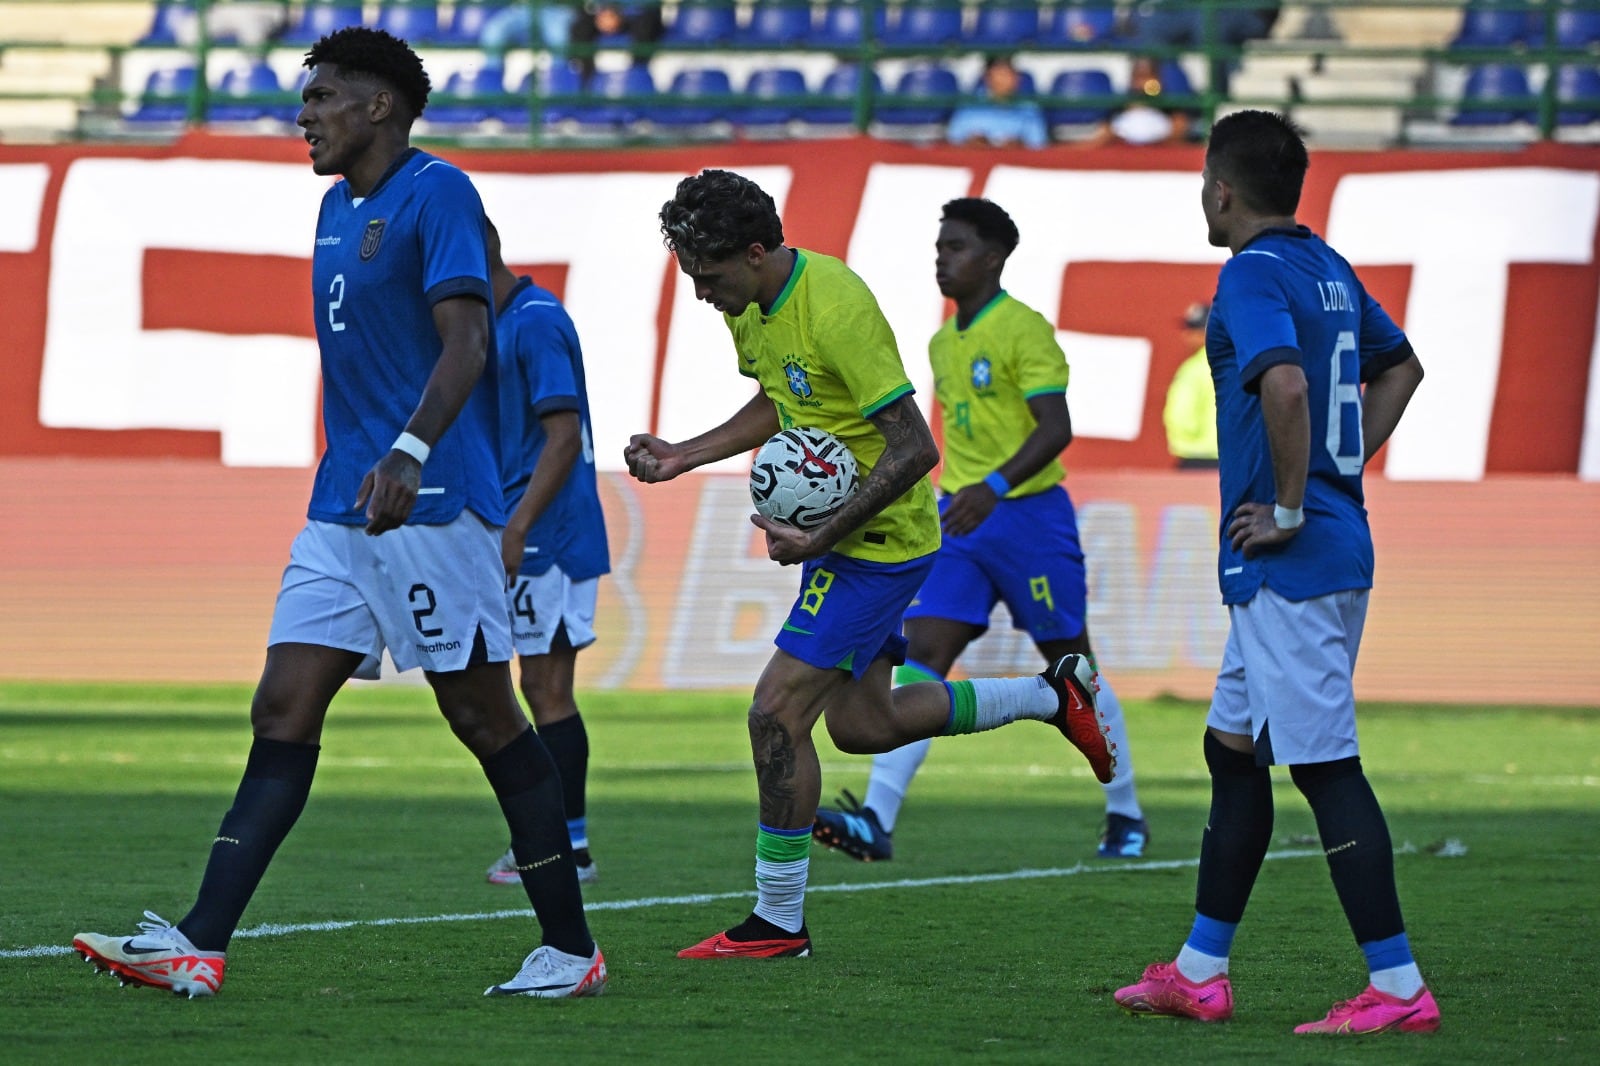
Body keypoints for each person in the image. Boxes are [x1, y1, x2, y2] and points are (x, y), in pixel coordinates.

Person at [72, 27, 606, 1001]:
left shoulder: (437, 191)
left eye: (321, 98)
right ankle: (198, 940)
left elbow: (468, 340)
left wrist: (410, 450)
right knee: (282, 706)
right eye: (304, 98)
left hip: (434, 504)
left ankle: (571, 949)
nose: (304, 114)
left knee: (484, 715)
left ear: (380, 108)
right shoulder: (331, 208)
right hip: (340, 508)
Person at [625, 169, 1115, 960]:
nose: (701, 294)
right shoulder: (750, 305)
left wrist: (821, 537)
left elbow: (915, 447)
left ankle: (777, 922)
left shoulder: (837, 307)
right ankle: (1051, 696)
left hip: (879, 545)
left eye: (709, 278)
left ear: (755, 253)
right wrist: (686, 454)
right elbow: (785, 402)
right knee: (862, 726)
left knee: (775, 713)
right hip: (855, 542)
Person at [1112, 110, 1435, 1034]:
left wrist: (1296, 504)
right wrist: (1342, 467)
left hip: (1292, 561)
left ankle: (1401, 990)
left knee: (1326, 769)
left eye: (1203, 181)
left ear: (1221, 188)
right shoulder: (1325, 267)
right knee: (1233, 750)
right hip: (1304, 558)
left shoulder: (1249, 273)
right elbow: (1403, 368)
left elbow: (1285, 384)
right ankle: (1200, 971)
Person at [812, 197, 1149, 864]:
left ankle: (1126, 812)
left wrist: (993, 487)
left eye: (957, 247)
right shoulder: (943, 341)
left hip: (1025, 516)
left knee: (1071, 666)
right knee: (925, 650)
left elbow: (1057, 430)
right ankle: (876, 818)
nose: (943, 258)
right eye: (939, 247)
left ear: (994, 257)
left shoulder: (1024, 330)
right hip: (961, 520)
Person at [481, 219, 610, 889]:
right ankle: (561, 839)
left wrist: (519, 525)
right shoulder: (499, 322)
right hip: (523, 526)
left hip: (548, 535)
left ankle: (569, 844)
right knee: (533, 686)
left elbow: (564, 437)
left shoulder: (533, 321)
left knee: (546, 688)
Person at [1080, 55, 1193, 148]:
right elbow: (1105, 131)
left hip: (1160, 148)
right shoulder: (1122, 103)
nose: (1141, 82)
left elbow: (1180, 127)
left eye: (1146, 76)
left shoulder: (1167, 103)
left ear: (1157, 78)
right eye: (1138, 76)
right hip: (1123, 148)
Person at [946, 55, 1049, 150]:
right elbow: (954, 139)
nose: (1005, 79)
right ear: (987, 77)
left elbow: (1038, 143)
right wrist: (973, 142)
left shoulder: (1028, 107)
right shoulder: (970, 104)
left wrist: (1019, 144)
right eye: (1000, 73)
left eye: (1008, 74)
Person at [1163, 300, 1220, 469]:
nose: (1187, 335)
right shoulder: (1235, 363)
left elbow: (1182, 413)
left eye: (1194, 330)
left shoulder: (1193, 369)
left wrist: (1186, 434)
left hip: (1196, 453)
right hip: (1231, 455)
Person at [569, 2, 664, 80]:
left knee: (646, 24)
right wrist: (603, 13)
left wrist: (617, 15)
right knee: (581, 27)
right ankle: (585, 82)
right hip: (604, 13)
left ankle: (635, 76)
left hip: (635, 17)